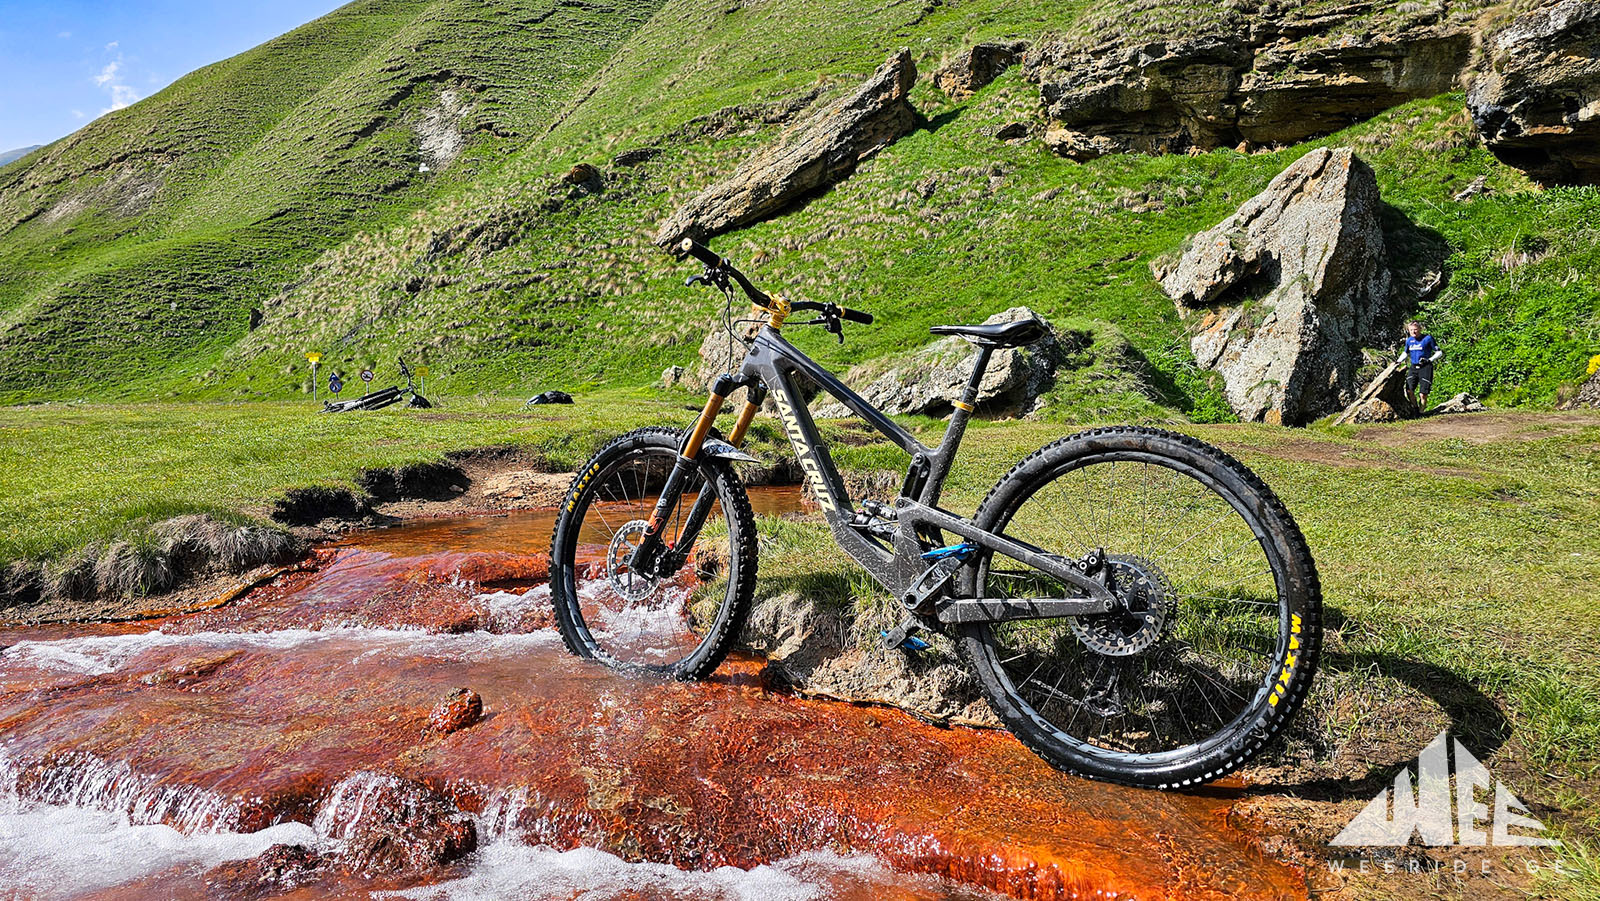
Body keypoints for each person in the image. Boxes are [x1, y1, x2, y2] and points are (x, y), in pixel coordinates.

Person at [1396, 321, 1442, 411]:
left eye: (1415, 330)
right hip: (1413, 367)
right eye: (1411, 330)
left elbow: (1439, 352)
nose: (1413, 332)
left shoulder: (1428, 338)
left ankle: (1421, 412)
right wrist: (1398, 361)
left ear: (1420, 329)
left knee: (1423, 394)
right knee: (1409, 390)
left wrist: (1429, 360)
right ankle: (1415, 409)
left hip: (1425, 367)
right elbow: (1406, 352)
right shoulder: (1409, 340)